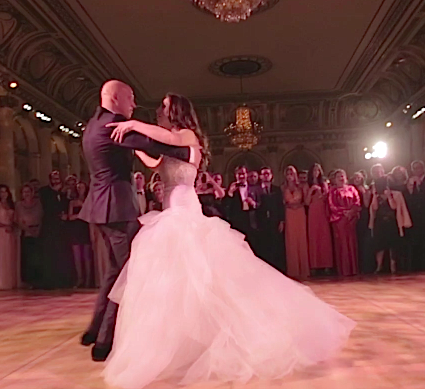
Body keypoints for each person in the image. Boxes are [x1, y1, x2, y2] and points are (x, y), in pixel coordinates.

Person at [102, 93, 354, 389]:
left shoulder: (185, 135)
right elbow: (156, 163)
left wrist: (133, 123)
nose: (159, 110)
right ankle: (184, 343)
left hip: (183, 208)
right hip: (171, 209)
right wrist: (132, 148)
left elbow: (158, 136)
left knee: (201, 275)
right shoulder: (172, 142)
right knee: (177, 278)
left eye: (165, 106)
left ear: (177, 111)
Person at [77, 80, 193, 362]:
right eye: (130, 98)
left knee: (114, 271)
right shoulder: (114, 126)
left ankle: (94, 329)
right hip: (116, 208)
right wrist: (187, 149)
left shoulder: (94, 123)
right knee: (127, 273)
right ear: (115, 99)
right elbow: (153, 144)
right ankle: (104, 341)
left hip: (100, 207)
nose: (134, 104)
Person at [368, 177, 411, 274]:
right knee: (379, 245)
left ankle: (393, 266)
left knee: (393, 245)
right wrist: (375, 195)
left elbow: (394, 206)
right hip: (380, 223)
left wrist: (389, 196)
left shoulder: (396, 194)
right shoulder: (376, 195)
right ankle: (379, 266)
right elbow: (374, 208)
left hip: (392, 223)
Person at [328, 169, 361, 277]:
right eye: (338, 177)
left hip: (351, 219)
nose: (341, 178)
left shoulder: (352, 189)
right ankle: (344, 270)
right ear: (335, 179)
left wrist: (351, 212)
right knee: (342, 244)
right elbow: (332, 205)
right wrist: (344, 212)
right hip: (339, 220)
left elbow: (357, 201)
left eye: (342, 176)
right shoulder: (332, 191)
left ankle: (354, 269)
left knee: (352, 242)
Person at [282, 166, 309, 280]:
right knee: (291, 240)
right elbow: (282, 202)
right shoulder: (283, 187)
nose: (290, 175)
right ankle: (293, 270)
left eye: (292, 173)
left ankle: (304, 270)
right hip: (289, 214)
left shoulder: (302, 186)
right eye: (288, 173)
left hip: (300, 213)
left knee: (301, 240)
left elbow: (306, 201)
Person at [306, 163, 333, 273]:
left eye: (318, 170)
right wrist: (311, 190)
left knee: (324, 237)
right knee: (314, 237)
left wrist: (324, 192)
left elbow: (327, 197)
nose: (316, 172)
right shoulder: (307, 184)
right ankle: (315, 265)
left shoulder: (324, 183)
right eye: (314, 170)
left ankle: (327, 264)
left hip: (323, 210)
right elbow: (306, 202)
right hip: (313, 211)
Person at [16, 184, 43, 289]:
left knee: (37, 258)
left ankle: (38, 281)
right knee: (28, 259)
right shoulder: (19, 205)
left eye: (28, 191)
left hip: (38, 233)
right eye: (24, 192)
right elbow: (18, 220)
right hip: (26, 233)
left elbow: (41, 217)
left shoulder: (38, 203)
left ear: (32, 193)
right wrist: (28, 230)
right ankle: (29, 282)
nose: (26, 194)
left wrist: (37, 230)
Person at [68, 181, 93, 288]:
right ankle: (79, 279)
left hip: (86, 228)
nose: (80, 190)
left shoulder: (89, 201)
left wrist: (79, 214)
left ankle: (88, 279)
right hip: (75, 229)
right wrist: (81, 214)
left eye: (82, 187)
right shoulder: (72, 202)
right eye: (78, 188)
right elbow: (70, 217)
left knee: (87, 255)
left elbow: (90, 215)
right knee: (77, 256)